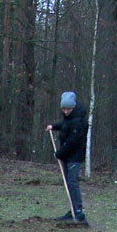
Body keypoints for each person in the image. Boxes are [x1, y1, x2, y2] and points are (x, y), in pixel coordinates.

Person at [46, 91, 88, 223]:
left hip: (74, 157)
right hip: (67, 156)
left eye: (68, 108)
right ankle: (72, 210)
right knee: (68, 182)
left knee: (73, 182)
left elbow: (72, 142)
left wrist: (59, 153)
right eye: (64, 109)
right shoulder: (69, 119)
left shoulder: (78, 121)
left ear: (74, 107)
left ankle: (79, 212)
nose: (66, 111)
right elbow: (65, 126)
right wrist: (53, 126)